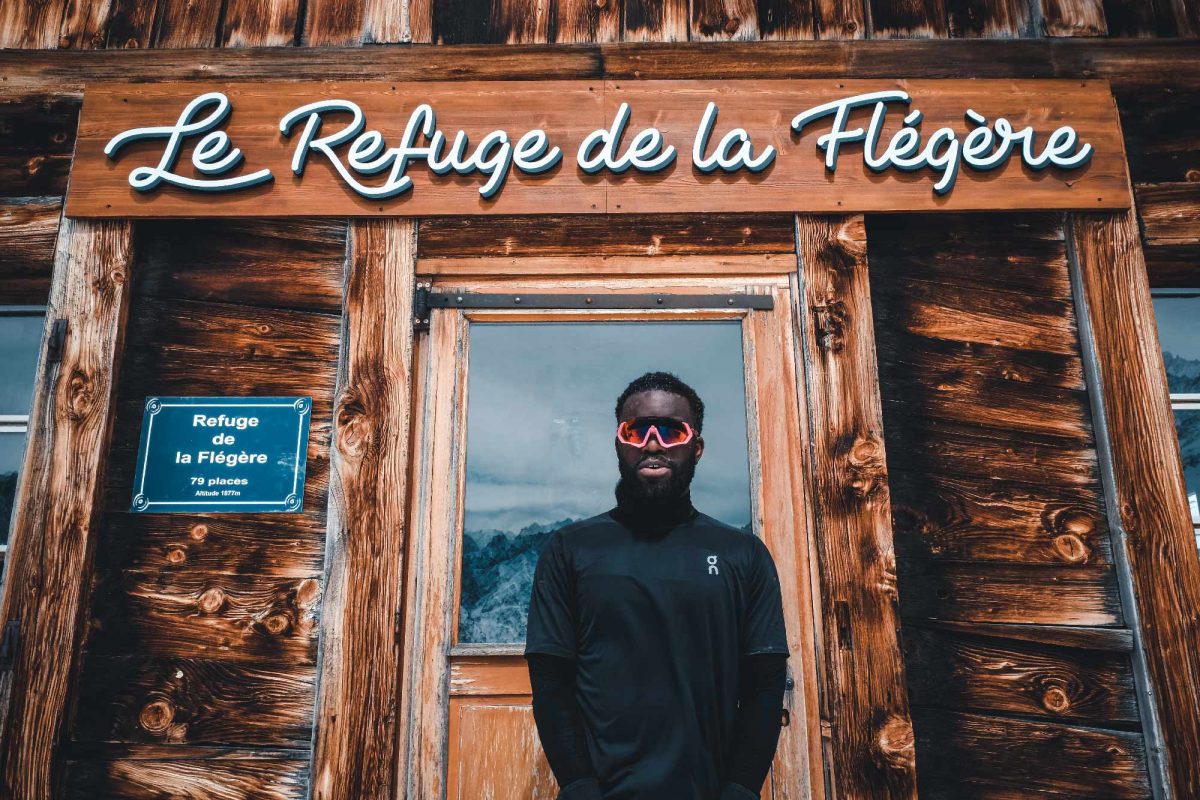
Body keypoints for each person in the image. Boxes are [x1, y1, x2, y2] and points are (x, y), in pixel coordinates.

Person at [524, 371, 790, 800]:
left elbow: (764, 685)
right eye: (636, 430)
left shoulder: (744, 554)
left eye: (670, 431)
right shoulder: (569, 550)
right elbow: (551, 683)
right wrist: (577, 785)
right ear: (619, 443)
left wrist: (741, 789)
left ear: (696, 447)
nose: (652, 442)